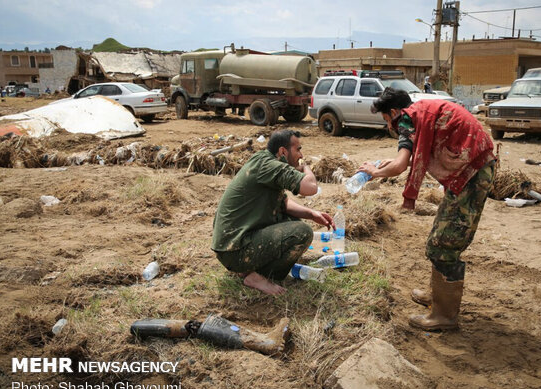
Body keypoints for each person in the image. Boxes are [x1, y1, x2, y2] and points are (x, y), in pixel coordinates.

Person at [358, 87, 496, 331]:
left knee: (444, 243)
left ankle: (444, 316)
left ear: (393, 113)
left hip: (472, 174)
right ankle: (438, 295)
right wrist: (382, 165)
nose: (389, 127)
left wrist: (375, 172)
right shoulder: (421, 111)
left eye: (386, 121)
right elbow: (415, 154)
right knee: (440, 235)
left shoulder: (407, 120)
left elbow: (401, 164)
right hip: (473, 167)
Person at [211, 129, 334, 296]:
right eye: (298, 149)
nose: (301, 155)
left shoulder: (263, 161)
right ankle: (258, 276)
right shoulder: (269, 165)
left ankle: (249, 269)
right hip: (234, 249)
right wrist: (305, 167)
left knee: (292, 220)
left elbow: (283, 203)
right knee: (301, 232)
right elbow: (310, 187)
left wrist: (312, 214)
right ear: (283, 151)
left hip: (231, 244)